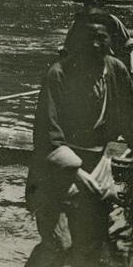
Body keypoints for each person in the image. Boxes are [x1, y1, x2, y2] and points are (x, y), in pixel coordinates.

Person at [25, 20, 133, 266]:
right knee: (59, 243)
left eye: (102, 39)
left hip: (99, 168)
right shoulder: (58, 74)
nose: (95, 45)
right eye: (88, 40)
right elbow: (46, 136)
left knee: (93, 245)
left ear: (109, 44)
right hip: (56, 170)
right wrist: (77, 173)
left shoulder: (116, 71)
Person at [63, 0, 133, 71]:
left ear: (102, 5)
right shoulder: (78, 22)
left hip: (108, 62)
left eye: (94, 4)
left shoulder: (111, 20)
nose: (90, 7)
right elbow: (68, 46)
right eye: (86, 3)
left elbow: (127, 44)